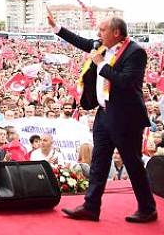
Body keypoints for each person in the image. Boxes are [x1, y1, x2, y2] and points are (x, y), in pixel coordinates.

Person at [49, 12, 158, 223]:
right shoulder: (101, 46)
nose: (98, 33)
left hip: (126, 117)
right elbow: (80, 41)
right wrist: (57, 28)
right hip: (104, 114)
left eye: (102, 29)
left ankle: (147, 208)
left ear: (116, 32)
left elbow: (126, 81)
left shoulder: (136, 52)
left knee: (133, 163)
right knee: (99, 161)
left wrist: (101, 64)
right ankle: (91, 206)